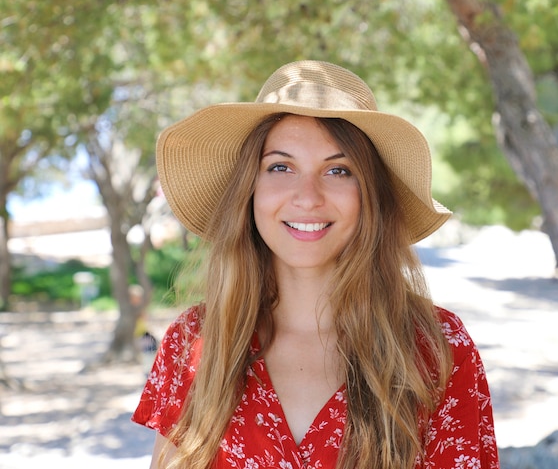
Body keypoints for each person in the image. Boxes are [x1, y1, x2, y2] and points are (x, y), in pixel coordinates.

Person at [132, 60, 500, 469]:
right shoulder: (195, 343)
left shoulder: (436, 347)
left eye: (338, 170)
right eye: (280, 167)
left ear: (369, 198)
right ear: (249, 190)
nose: (308, 197)